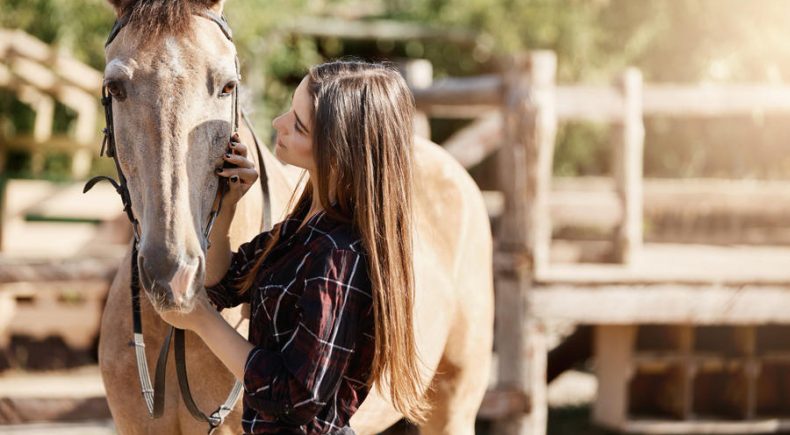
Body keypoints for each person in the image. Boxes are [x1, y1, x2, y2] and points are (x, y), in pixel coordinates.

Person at [158, 60, 430, 434]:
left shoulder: (339, 255)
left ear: (338, 150)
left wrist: (202, 320)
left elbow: (297, 395)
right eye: (290, 110)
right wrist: (229, 205)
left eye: (298, 126)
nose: (278, 124)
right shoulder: (304, 227)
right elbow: (224, 285)